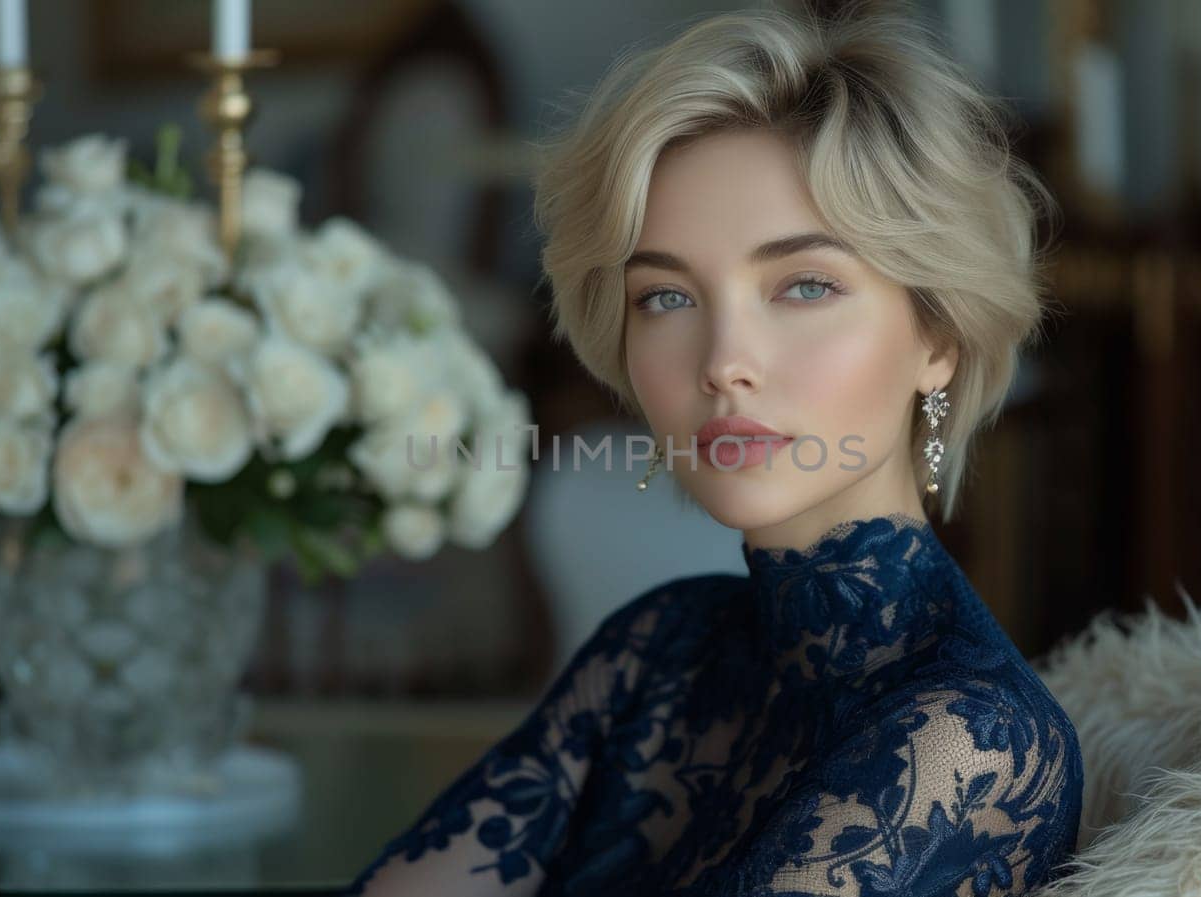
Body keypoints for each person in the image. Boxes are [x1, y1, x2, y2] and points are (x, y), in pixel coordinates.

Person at [344, 5, 1083, 895]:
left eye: (803, 285)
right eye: (666, 297)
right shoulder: (661, 648)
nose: (724, 362)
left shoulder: (973, 740)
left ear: (938, 335)